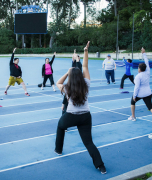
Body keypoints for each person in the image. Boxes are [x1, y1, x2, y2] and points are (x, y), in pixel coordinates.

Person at [55, 41, 106, 174]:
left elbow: (58, 82)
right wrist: (85, 51)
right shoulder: (86, 84)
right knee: (89, 143)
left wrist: (67, 72)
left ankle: (58, 149)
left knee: (60, 126)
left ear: (71, 77)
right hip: (85, 117)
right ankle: (101, 166)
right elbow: (85, 65)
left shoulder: (67, 88)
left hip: (71, 116)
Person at [128, 48, 152, 121]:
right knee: (150, 107)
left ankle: (133, 117)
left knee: (132, 102)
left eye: (138, 68)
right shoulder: (148, 72)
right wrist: (144, 53)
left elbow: (137, 87)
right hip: (148, 93)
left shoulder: (138, 76)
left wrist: (134, 96)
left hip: (140, 94)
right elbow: (147, 62)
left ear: (140, 69)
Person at [62, 50, 82, 115]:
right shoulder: (73, 64)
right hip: (71, 84)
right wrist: (74, 53)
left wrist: (77, 57)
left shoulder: (79, 65)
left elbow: (79, 68)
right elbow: (73, 59)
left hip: (76, 85)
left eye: (76, 57)